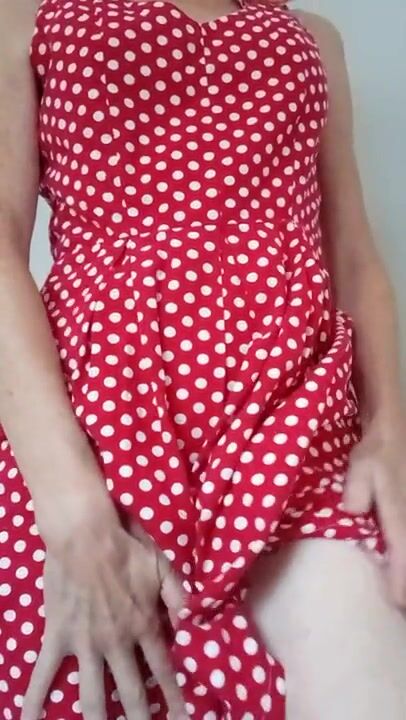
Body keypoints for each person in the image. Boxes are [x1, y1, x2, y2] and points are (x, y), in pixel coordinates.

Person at [0, 0, 405, 718]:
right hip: (101, 419)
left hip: (295, 415)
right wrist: (70, 506)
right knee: (95, 680)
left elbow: (352, 254)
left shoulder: (312, 36)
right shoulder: (25, 16)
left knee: (370, 679)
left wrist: (390, 430)